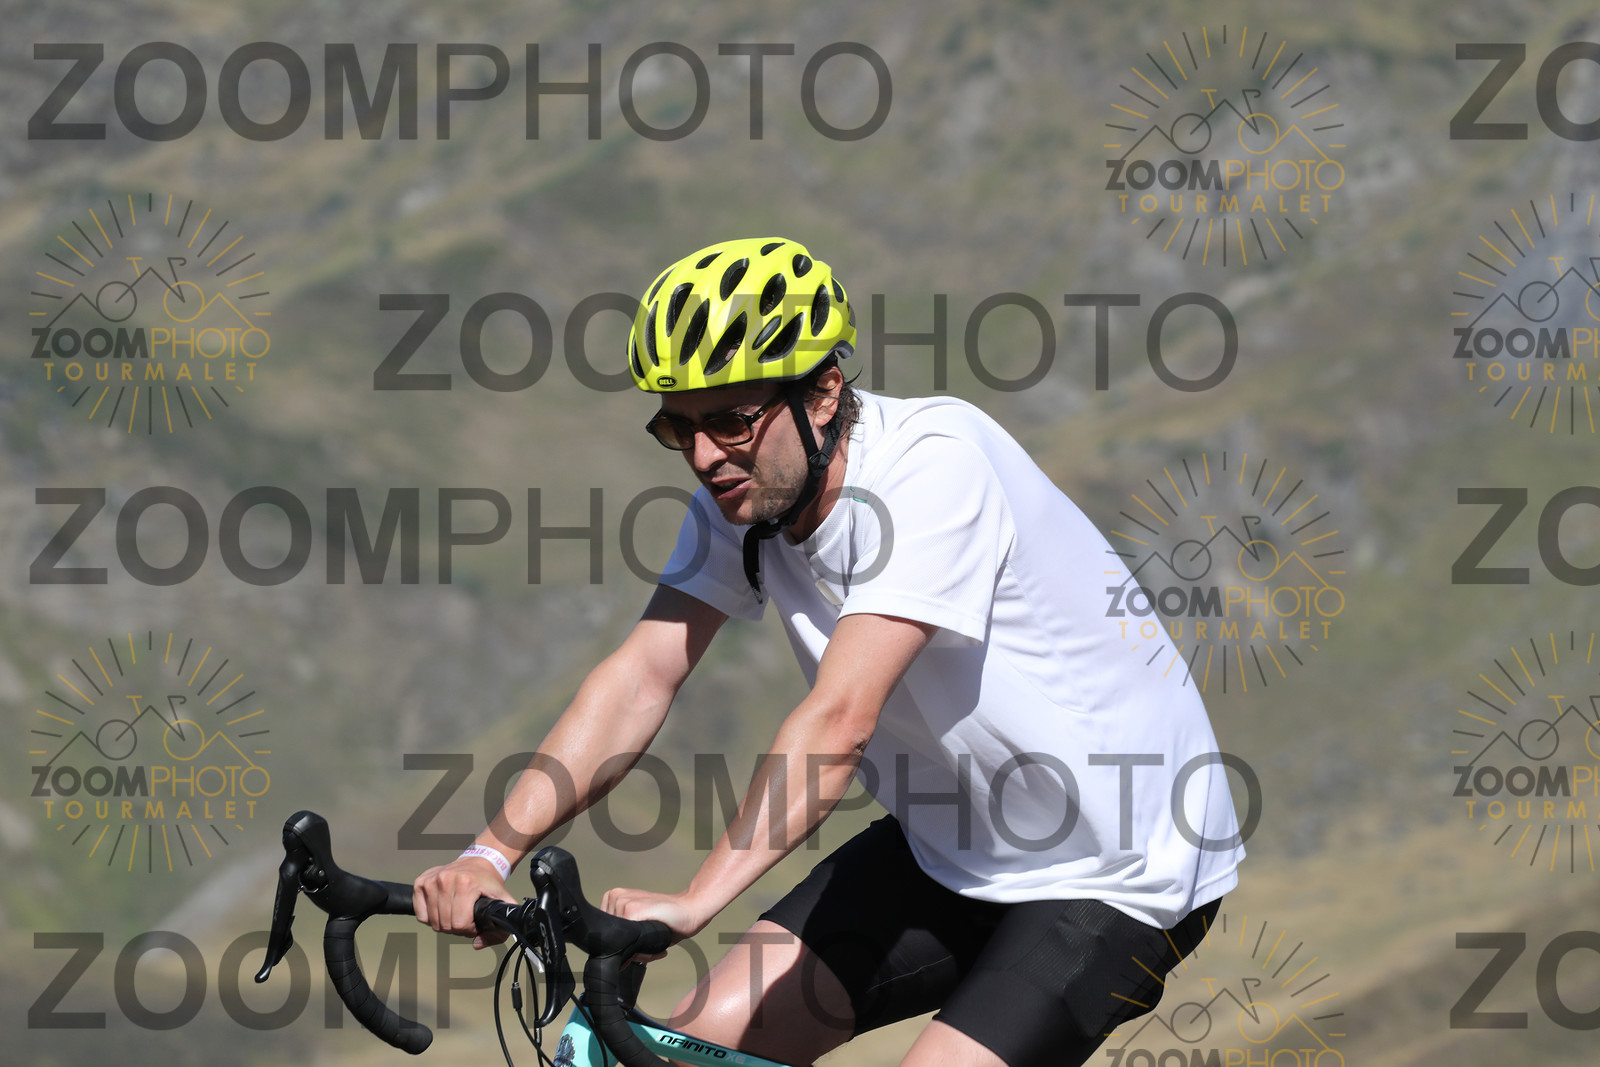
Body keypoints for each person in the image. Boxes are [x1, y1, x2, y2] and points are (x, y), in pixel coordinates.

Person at [414, 237, 1244, 1067]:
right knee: (685, 1049)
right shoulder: (740, 499)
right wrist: (489, 853)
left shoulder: (933, 466)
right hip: (948, 847)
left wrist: (698, 901)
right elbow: (641, 676)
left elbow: (839, 720)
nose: (704, 457)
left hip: (1115, 863)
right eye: (679, 427)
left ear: (822, 393)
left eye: (731, 421)